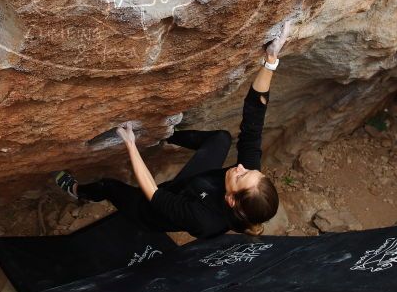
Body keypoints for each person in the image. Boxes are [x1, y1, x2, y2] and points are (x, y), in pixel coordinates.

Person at [54, 21, 292, 238]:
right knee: (221, 139)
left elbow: (154, 194)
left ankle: (77, 190)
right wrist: (271, 60)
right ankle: (167, 136)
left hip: (154, 210)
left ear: (231, 200)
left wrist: (130, 144)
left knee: (108, 186)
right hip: (196, 185)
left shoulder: (204, 221)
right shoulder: (245, 179)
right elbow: (253, 121)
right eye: (250, 172)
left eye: (241, 176)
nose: (241, 167)